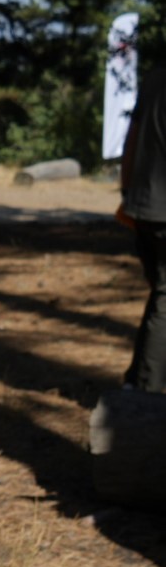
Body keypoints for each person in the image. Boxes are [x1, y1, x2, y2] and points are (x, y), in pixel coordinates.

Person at [119, 64, 166, 392]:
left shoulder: (155, 76)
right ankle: (145, 392)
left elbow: (131, 140)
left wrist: (126, 193)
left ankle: (137, 380)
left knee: (160, 291)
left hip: (144, 205)